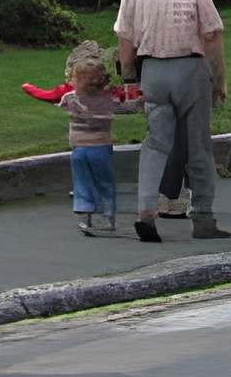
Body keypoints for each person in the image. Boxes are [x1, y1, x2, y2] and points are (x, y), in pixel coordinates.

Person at [114, 0, 231, 242]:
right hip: (190, 68)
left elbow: (125, 42)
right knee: (198, 144)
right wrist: (219, 80)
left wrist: (129, 77)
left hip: (153, 69)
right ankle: (203, 217)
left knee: (155, 143)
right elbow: (212, 37)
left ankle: (146, 213)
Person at [21, 42, 141, 237]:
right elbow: (128, 107)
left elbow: (55, 100)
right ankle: (108, 215)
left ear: (76, 80)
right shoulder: (108, 99)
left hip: (79, 149)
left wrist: (28, 88)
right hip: (101, 147)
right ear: (103, 80)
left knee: (82, 182)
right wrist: (139, 100)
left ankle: (85, 215)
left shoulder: (70, 98)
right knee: (105, 181)